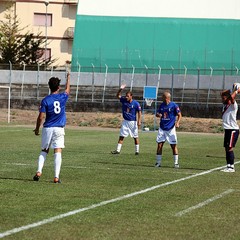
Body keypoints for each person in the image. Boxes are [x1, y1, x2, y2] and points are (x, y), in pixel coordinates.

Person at [33, 72, 70, 183]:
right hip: (59, 128)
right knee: (57, 151)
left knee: (44, 150)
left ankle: (39, 171)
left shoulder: (45, 100)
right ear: (58, 87)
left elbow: (40, 117)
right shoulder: (62, 97)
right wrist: (68, 78)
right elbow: (68, 90)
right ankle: (56, 177)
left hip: (48, 128)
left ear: (49, 87)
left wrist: (37, 128)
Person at [111, 84, 142, 155]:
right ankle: (118, 150)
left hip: (132, 122)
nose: (126, 97)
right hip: (125, 122)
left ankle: (137, 151)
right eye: (126, 96)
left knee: (135, 136)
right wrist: (120, 89)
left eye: (128, 96)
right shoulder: (124, 100)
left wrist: (139, 121)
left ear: (131, 96)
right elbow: (117, 96)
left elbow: (139, 112)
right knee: (121, 136)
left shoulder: (136, 103)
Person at [155, 91, 182, 168]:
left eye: (163, 97)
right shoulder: (161, 105)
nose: (161, 98)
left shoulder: (174, 105)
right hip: (162, 128)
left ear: (167, 98)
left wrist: (177, 122)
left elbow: (179, 115)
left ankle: (176, 163)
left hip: (170, 129)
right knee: (159, 145)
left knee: (173, 146)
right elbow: (158, 113)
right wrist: (158, 114)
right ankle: (158, 163)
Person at [220, 87, 240, 172]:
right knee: (226, 147)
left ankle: (231, 167)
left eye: (224, 97)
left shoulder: (233, 105)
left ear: (227, 97)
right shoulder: (225, 105)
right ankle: (228, 165)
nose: (222, 99)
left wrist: (236, 90)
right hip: (227, 129)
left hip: (233, 129)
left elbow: (232, 97)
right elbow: (228, 96)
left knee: (230, 147)